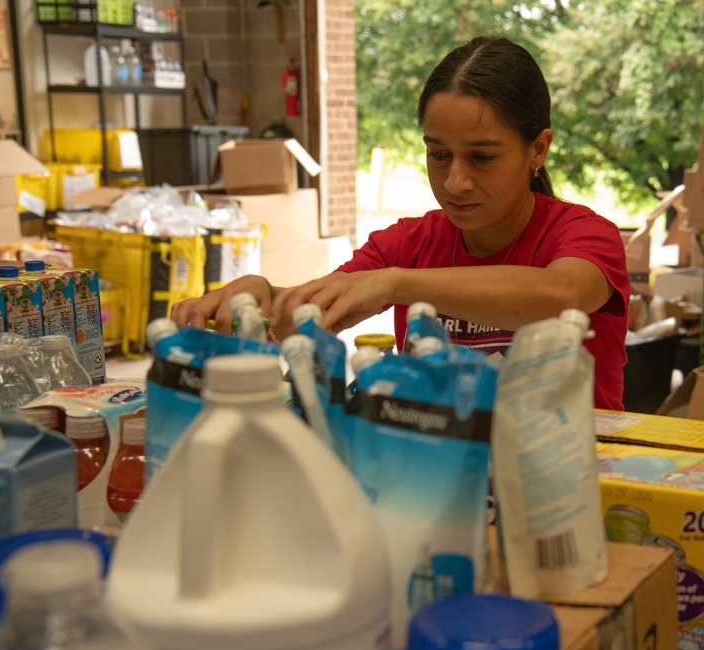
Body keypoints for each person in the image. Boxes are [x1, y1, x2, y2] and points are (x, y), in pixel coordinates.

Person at [169, 36, 631, 410]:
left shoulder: (584, 236)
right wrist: (261, 299)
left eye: (482, 157)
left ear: (538, 149)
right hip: (441, 479)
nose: (455, 181)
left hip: (573, 485)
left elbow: (561, 296)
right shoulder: (408, 244)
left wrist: (398, 285)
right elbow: (310, 314)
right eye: (438, 154)